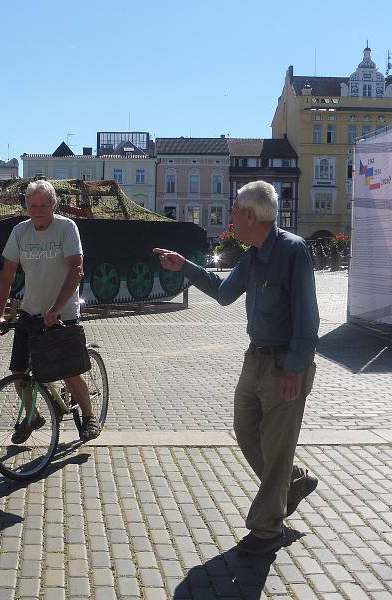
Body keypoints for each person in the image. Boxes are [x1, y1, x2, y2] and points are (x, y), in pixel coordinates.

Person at [153, 180, 319, 556]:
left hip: (284, 365)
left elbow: (309, 316)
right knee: (245, 430)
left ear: (249, 215)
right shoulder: (253, 254)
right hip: (255, 358)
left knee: (277, 448)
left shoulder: (293, 251)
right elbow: (225, 293)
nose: (230, 220)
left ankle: (266, 528)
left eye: (234, 213)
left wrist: (296, 367)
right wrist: (186, 267)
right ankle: (293, 483)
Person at [0, 180, 101, 442]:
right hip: (31, 310)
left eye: (43, 205)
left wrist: (56, 309)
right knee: (19, 373)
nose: (38, 210)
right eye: (33, 205)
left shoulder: (66, 227)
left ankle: (88, 416)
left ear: (53, 205)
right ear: (27, 207)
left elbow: (76, 269)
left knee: (68, 372)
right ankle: (34, 417)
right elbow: (6, 277)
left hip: (63, 311)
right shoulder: (20, 232)